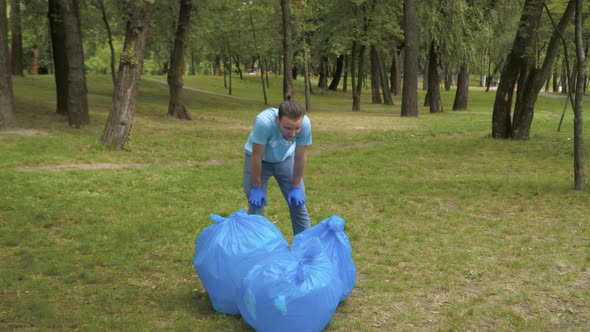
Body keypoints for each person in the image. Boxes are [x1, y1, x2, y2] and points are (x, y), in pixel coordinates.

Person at [243, 97, 311, 235]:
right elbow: (257, 156)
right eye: (287, 128)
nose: (292, 134)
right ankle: (256, 249)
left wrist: (296, 186)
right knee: (256, 205)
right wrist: (256, 187)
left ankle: (305, 248)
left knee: (298, 203)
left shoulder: (305, 124)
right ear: (277, 120)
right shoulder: (264, 122)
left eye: (296, 129)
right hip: (260, 161)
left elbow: (300, 156)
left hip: (285, 159)